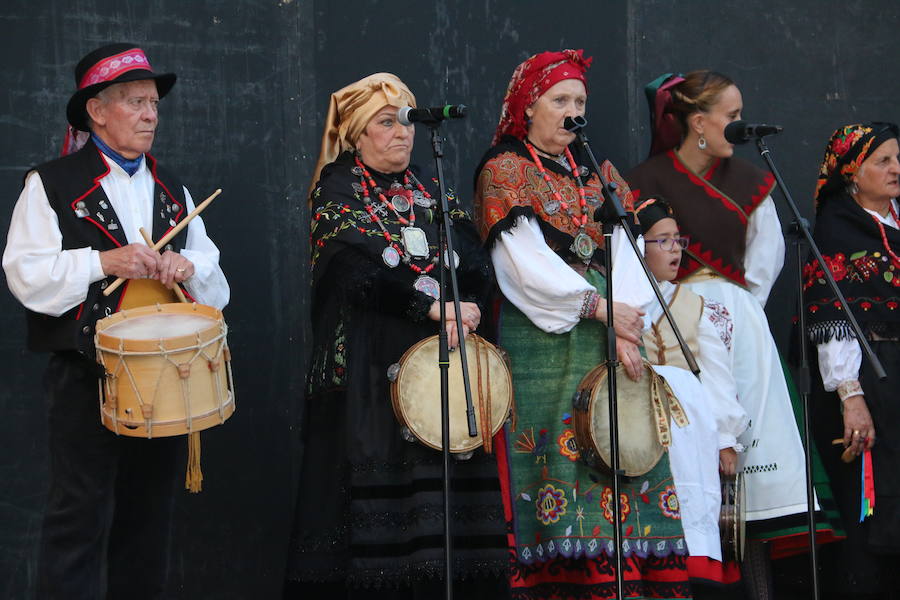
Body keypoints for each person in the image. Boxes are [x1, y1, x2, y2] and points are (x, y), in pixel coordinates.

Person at [2, 43, 229, 599]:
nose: (151, 114)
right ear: (96, 111)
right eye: (136, 102)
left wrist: (186, 264)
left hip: (165, 376)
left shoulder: (173, 188)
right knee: (78, 518)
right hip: (87, 374)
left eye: (154, 103)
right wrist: (105, 261)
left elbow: (215, 281)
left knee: (148, 519)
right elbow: (25, 274)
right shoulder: (51, 184)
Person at [475, 49, 693, 599]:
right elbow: (522, 266)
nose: (574, 112)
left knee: (623, 446)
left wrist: (626, 326)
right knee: (559, 461)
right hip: (545, 335)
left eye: (580, 102)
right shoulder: (505, 170)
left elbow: (628, 247)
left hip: (608, 328)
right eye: (560, 100)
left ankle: (628, 583)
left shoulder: (600, 171)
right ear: (528, 107)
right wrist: (598, 309)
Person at [284, 73, 507, 599]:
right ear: (358, 134)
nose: (401, 132)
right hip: (368, 369)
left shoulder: (429, 186)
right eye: (387, 122)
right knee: (377, 521)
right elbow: (351, 273)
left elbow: (473, 253)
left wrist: (467, 302)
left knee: (448, 517)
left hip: (442, 364)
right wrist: (429, 305)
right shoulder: (336, 186)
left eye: (406, 120)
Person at [627, 70, 842, 593]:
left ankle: (758, 582)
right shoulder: (647, 179)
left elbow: (765, 258)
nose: (740, 124)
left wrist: (735, 310)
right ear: (699, 123)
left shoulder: (751, 179)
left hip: (734, 316)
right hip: (668, 316)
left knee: (751, 460)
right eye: (733, 115)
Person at [805, 122, 900, 599]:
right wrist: (851, 396)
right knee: (874, 505)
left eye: (897, 158)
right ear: (852, 173)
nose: (896, 169)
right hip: (871, 376)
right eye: (882, 161)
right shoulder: (837, 227)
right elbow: (832, 319)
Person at [635, 196, 748, 591]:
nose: (675, 249)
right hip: (640, 417)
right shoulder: (621, 302)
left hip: (689, 421)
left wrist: (725, 439)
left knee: (693, 497)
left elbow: (717, 378)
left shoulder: (695, 305)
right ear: (637, 247)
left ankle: (696, 573)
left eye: (677, 239)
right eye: (662, 241)